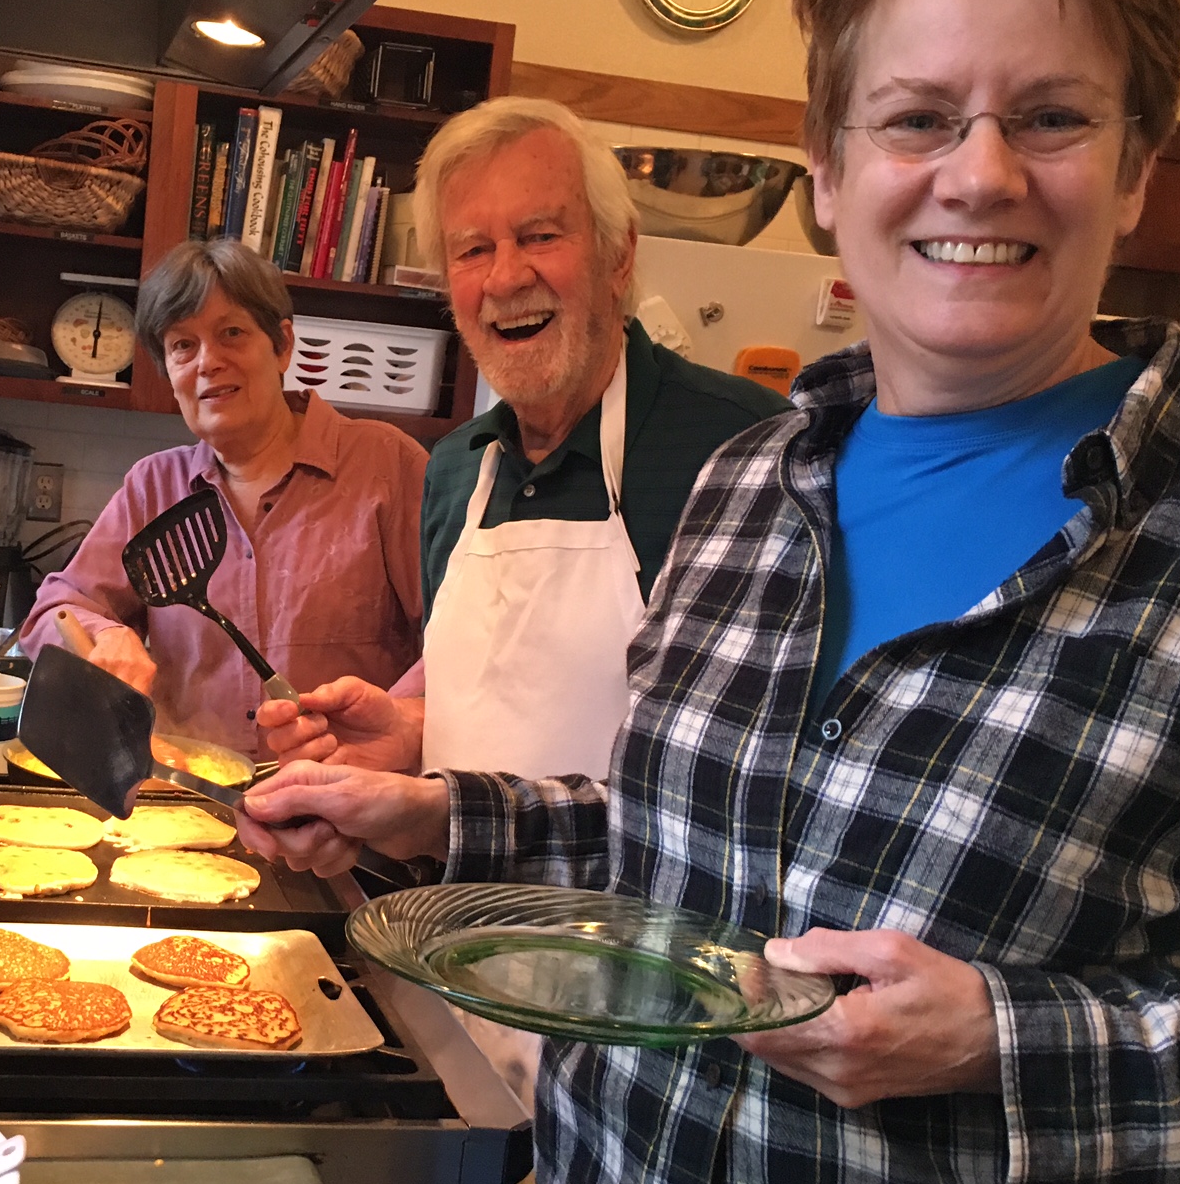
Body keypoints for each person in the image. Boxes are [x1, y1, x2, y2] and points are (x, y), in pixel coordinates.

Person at [236, 0, 1180, 1184]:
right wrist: (436, 813)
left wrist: (1003, 1042)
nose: (980, 174)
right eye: (917, 118)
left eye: (1052, 118)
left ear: (1138, 165)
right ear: (828, 167)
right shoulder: (754, 485)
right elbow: (689, 864)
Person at [257, 96, 787, 783]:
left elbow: (756, 768)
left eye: (539, 237)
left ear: (619, 255)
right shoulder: (455, 469)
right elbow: (495, 704)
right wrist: (412, 732)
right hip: (447, 860)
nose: (506, 278)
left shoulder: (748, 448)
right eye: (473, 250)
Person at [19, 239, 426, 758]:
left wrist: (393, 726)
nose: (208, 362)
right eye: (182, 346)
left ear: (282, 345)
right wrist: (104, 636)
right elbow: (54, 611)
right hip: (190, 793)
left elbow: (463, 636)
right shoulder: (154, 488)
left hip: (349, 789)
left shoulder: (386, 465)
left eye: (231, 333)